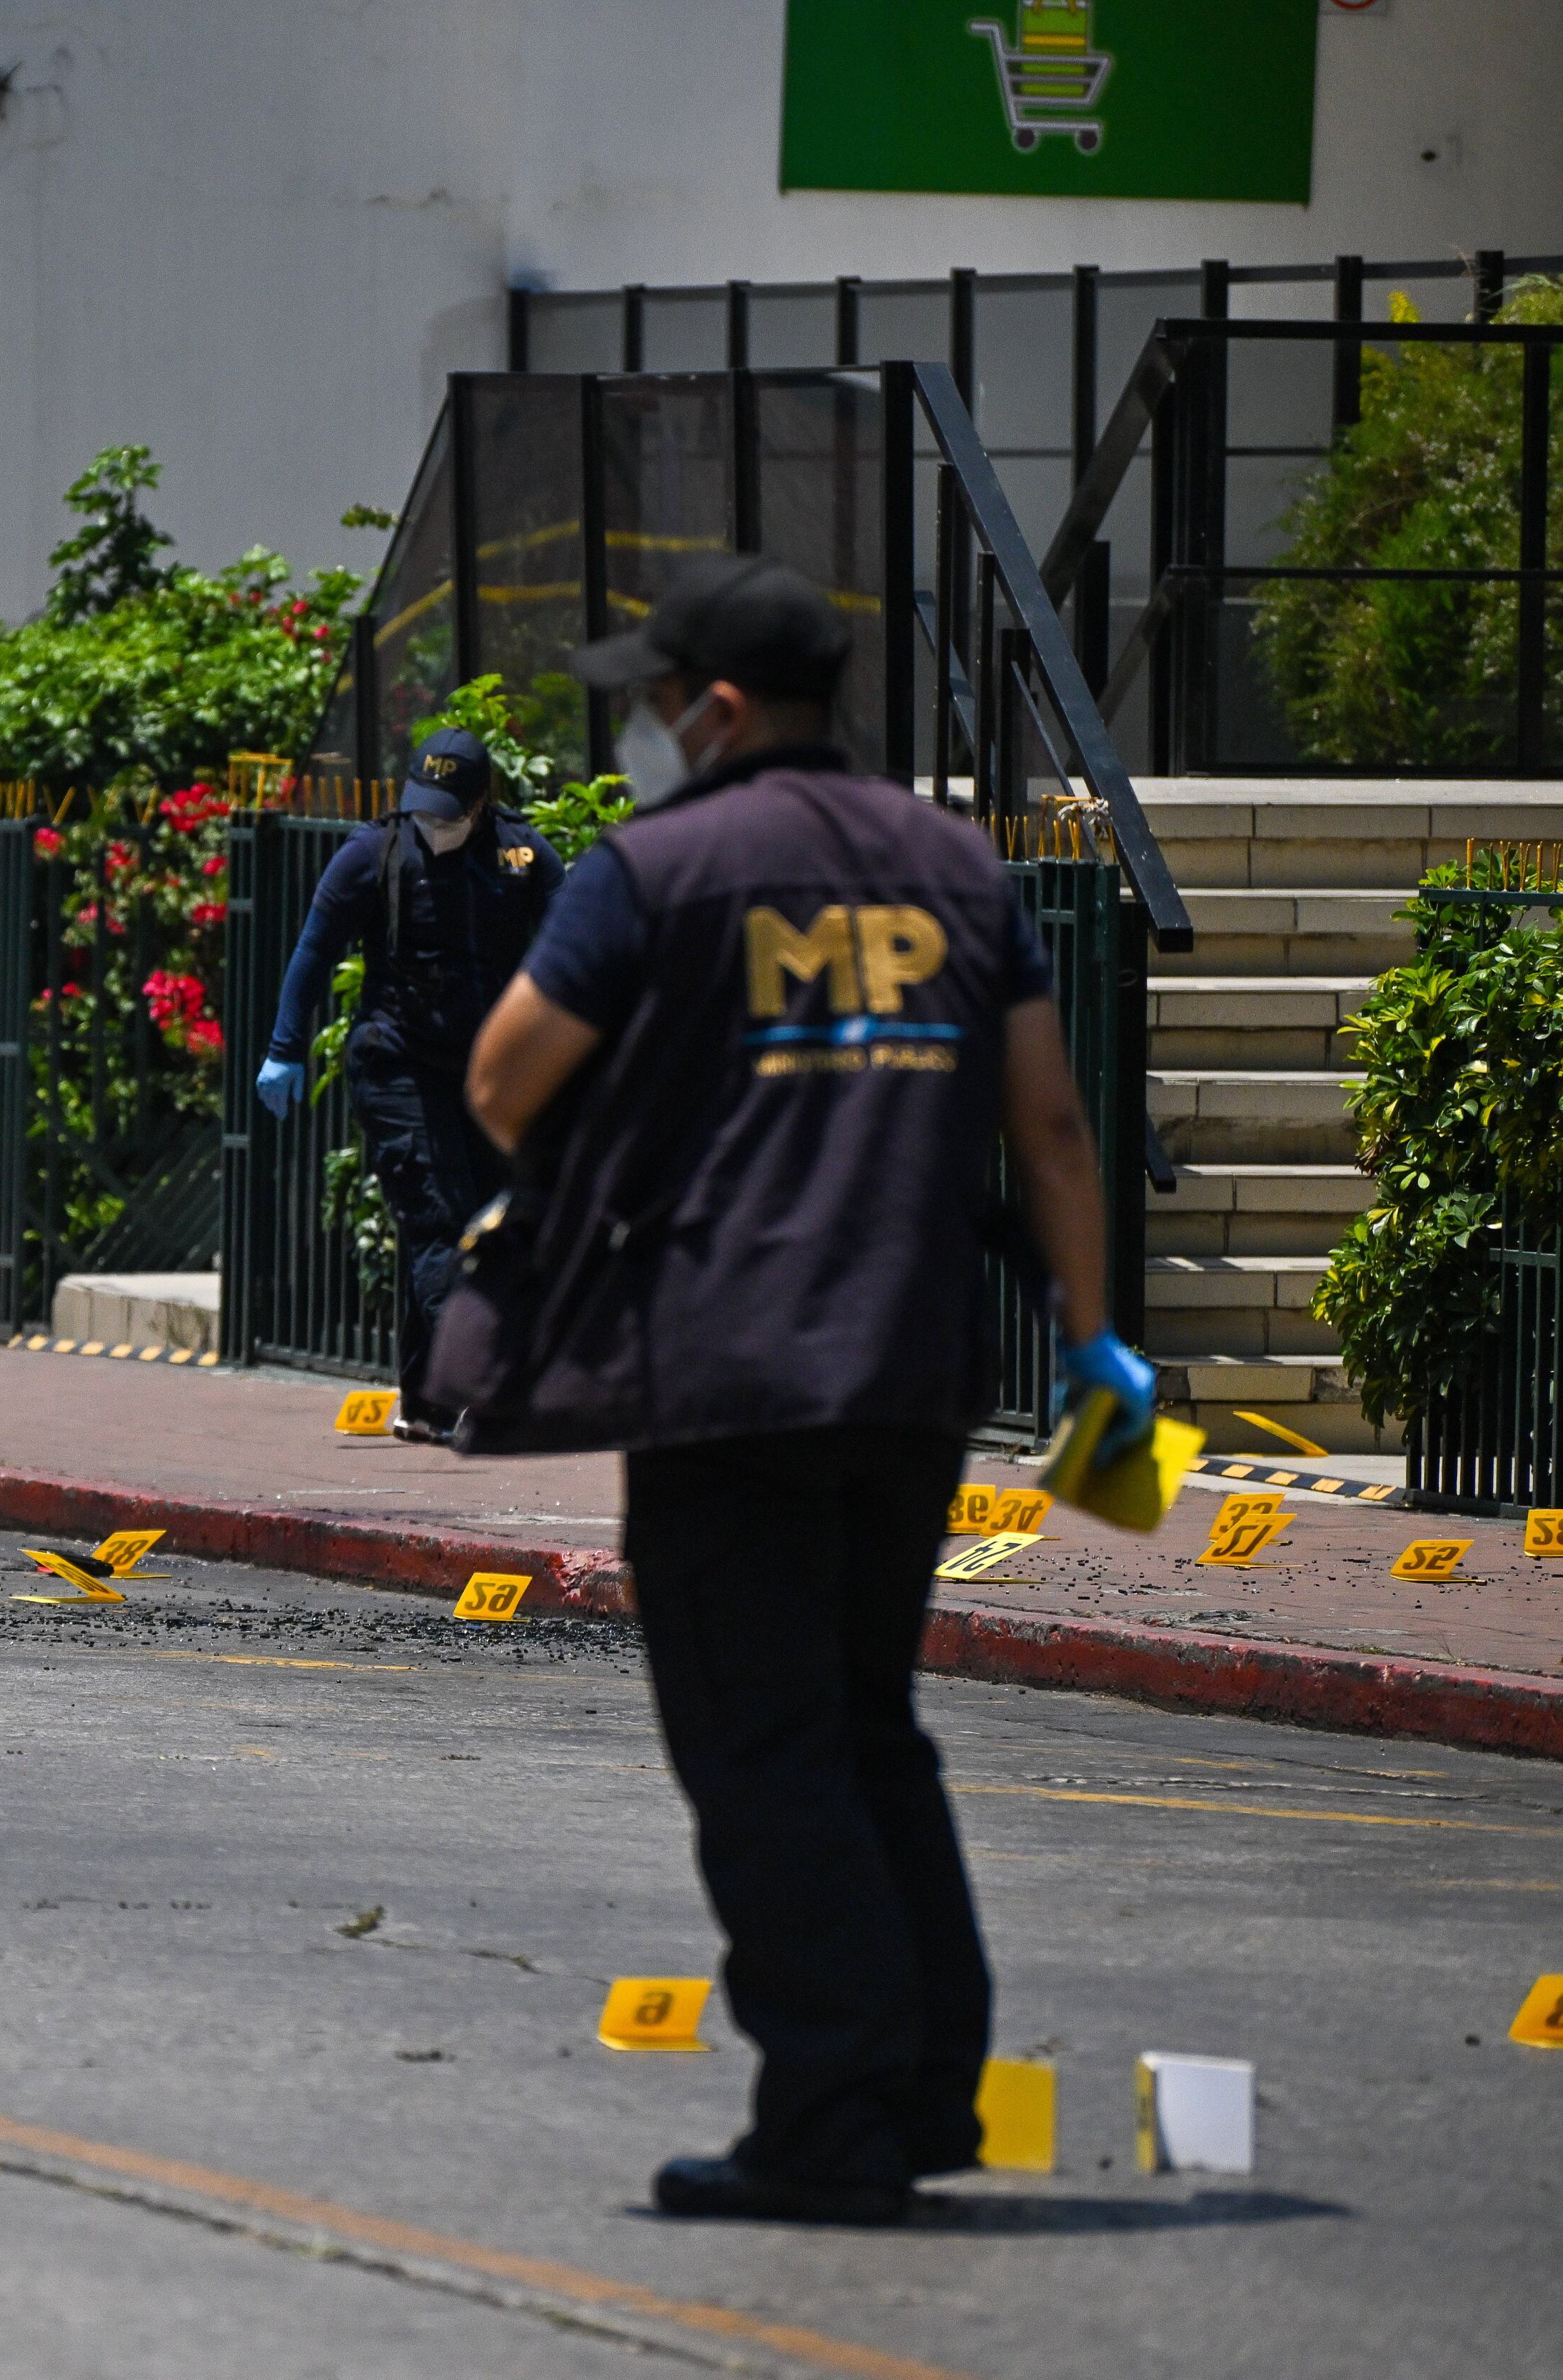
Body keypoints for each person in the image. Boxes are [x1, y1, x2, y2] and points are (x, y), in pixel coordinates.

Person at [447, 554, 1157, 2226]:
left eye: (648, 702)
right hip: (912, 1371)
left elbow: (498, 1079)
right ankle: (921, 2091)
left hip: (727, 1369)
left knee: (762, 1748)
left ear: (713, 708)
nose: (638, 732)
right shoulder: (954, 868)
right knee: (864, 1725)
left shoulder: (658, 869)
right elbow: (1047, 1125)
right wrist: (1093, 1344)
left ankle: (830, 2118)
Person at [253, 725, 560, 1437]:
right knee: (435, 1219)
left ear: (481, 803)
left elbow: (573, 951)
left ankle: (426, 1402)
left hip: (485, 1071)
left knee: (479, 1219)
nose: (433, 826)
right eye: (422, 810)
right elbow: (313, 950)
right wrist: (283, 1048)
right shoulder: (373, 853)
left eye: (447, 814)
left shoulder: (520, 856)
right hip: (397, 1063)